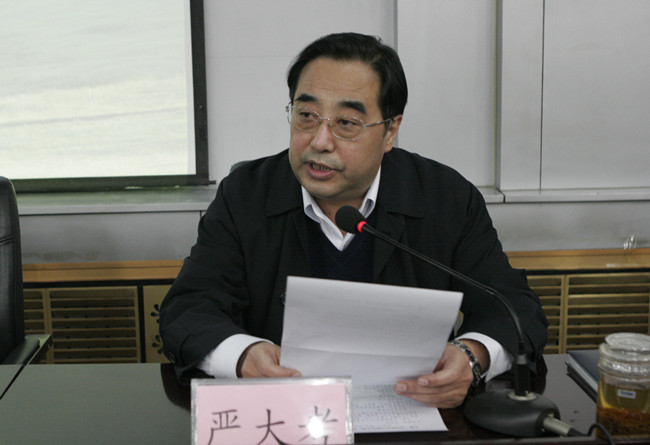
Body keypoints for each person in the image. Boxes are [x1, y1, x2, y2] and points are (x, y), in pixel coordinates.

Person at [159, 32, 548, 409]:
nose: (320, 141)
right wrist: (243, 356)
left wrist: (472, 355)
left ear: (390, 131)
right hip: (284, 415)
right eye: (306, 115)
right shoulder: (245, 194)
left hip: (412, 409)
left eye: (346, 122)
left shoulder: (446, 198)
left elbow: (514, 308)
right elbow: (189, 308)